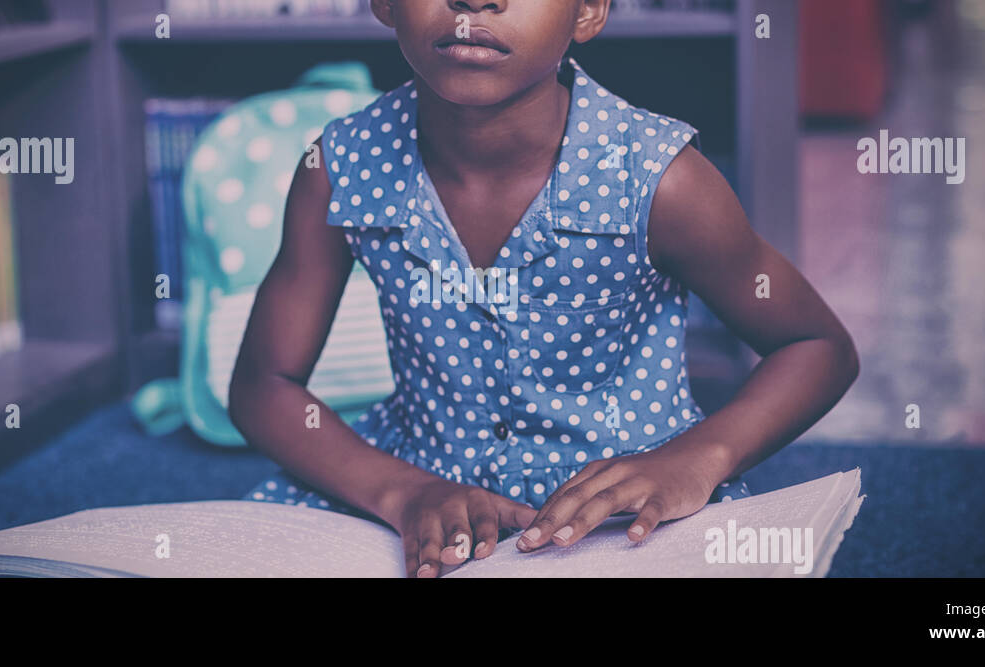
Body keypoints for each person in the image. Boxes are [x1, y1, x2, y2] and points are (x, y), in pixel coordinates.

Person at [228, 0, 859, 578]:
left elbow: (815, 345)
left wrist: (700, 457)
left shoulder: (661, 180)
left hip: (626, 507)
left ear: (587, 12)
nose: (476, 0)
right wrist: (401, 491)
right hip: (413, 489)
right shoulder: (338, 167)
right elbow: (264, 386)